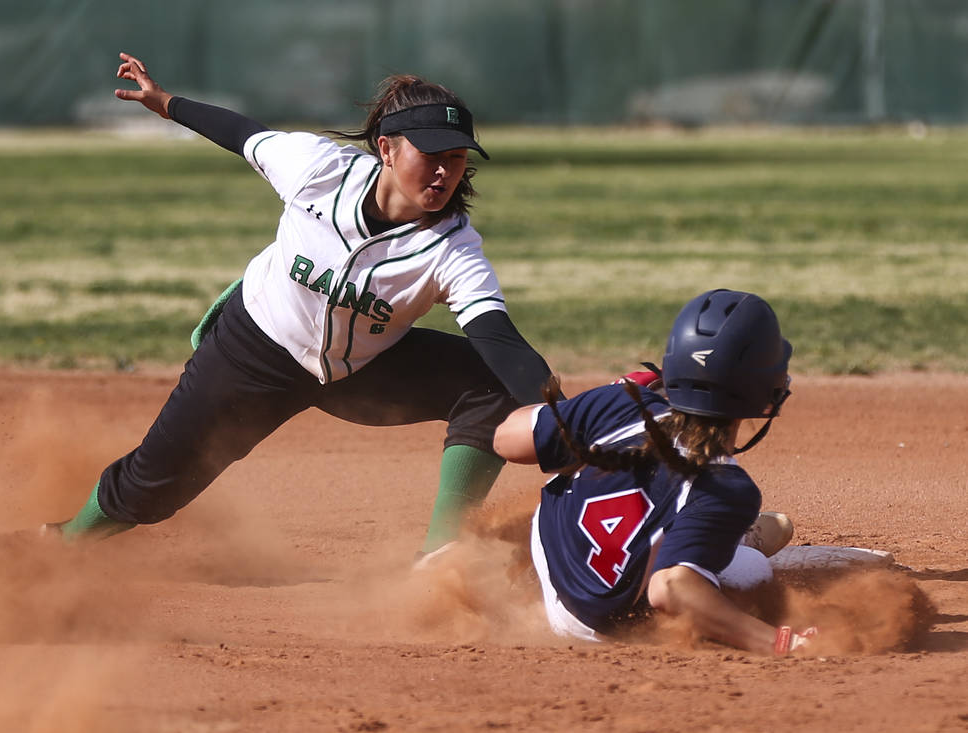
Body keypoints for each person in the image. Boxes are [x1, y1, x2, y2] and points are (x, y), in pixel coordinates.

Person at [44, 52, 559, 556]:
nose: (443, 172)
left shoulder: (452, 247)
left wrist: (562, 410)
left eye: (455, 158)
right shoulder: (318, 170)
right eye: (430, 155)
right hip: (254, 351)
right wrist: (167, 103)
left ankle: (441, 559)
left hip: (363, 371)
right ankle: (61, 542)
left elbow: (496, 336)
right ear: (386, 149)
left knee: (491, 382)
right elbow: (243, 135)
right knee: (151, 487)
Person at [492, 289, 817, 655]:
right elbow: (671, 589)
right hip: (601, 627)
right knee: (751, 569)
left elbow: (505, 440)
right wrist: (782, 644)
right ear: (766, 393)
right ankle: (739, 538)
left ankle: (532, 583)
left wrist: (591, 405)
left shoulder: (617, 404)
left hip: (550, 552)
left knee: (588, 468)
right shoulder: (727, 487)